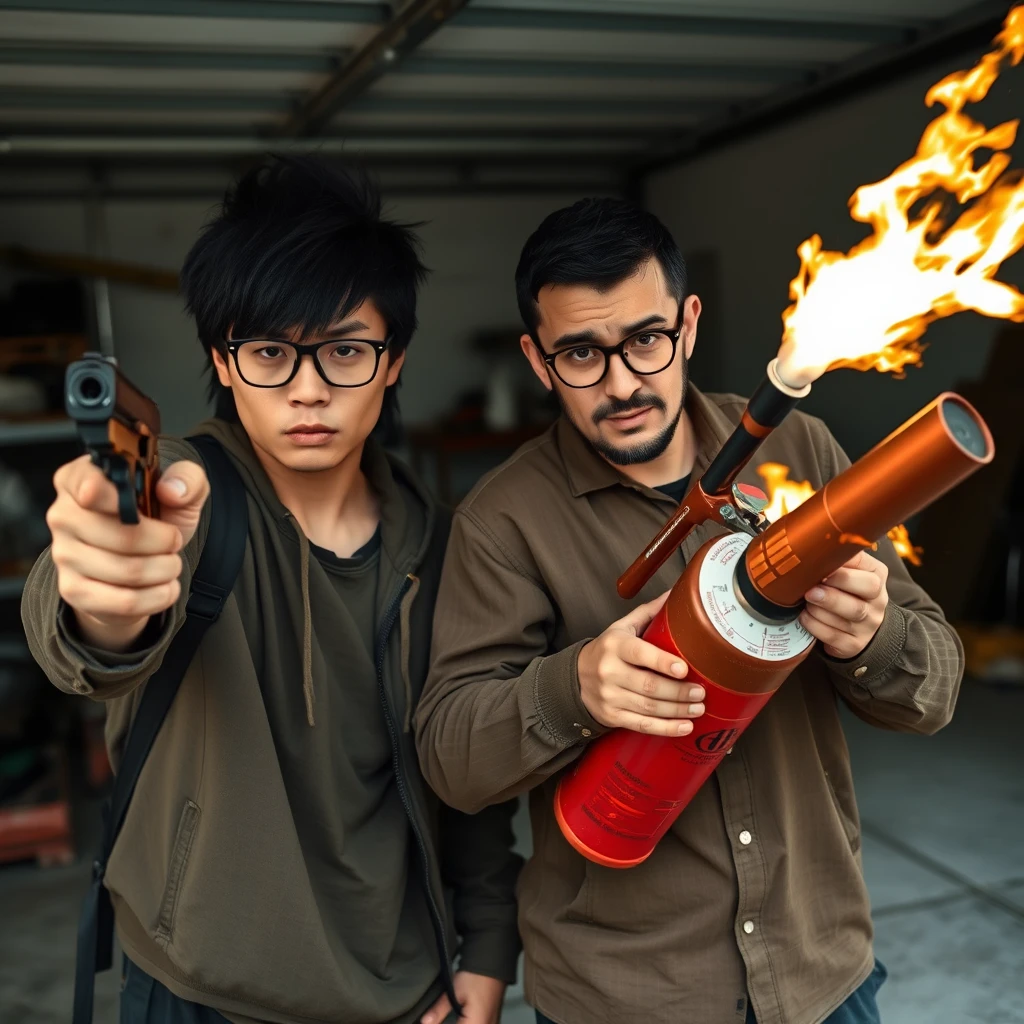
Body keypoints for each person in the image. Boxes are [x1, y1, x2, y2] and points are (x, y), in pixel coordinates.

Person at [415, 198, 964, 1024]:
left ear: (690, 323)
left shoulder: (800, 452)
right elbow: (452, 758)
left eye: (645, 340)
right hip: (627, 996)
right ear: (536, 359)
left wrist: (872, 636)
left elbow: (937, 690)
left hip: (821, 978)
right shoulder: (504, 522)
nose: (624, 381)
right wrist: (574, 692)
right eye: (580, 355)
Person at [22, 156, 521, 1024]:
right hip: (195, 988)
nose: (307, 389)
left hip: (400, 990)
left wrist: (487, 944)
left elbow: (465, 770)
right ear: (223, 357)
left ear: (394, 360)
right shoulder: (184, 495)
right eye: (268, 353)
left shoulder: (446, 544)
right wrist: (102, 598)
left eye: (345, 351)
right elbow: (87, 628)